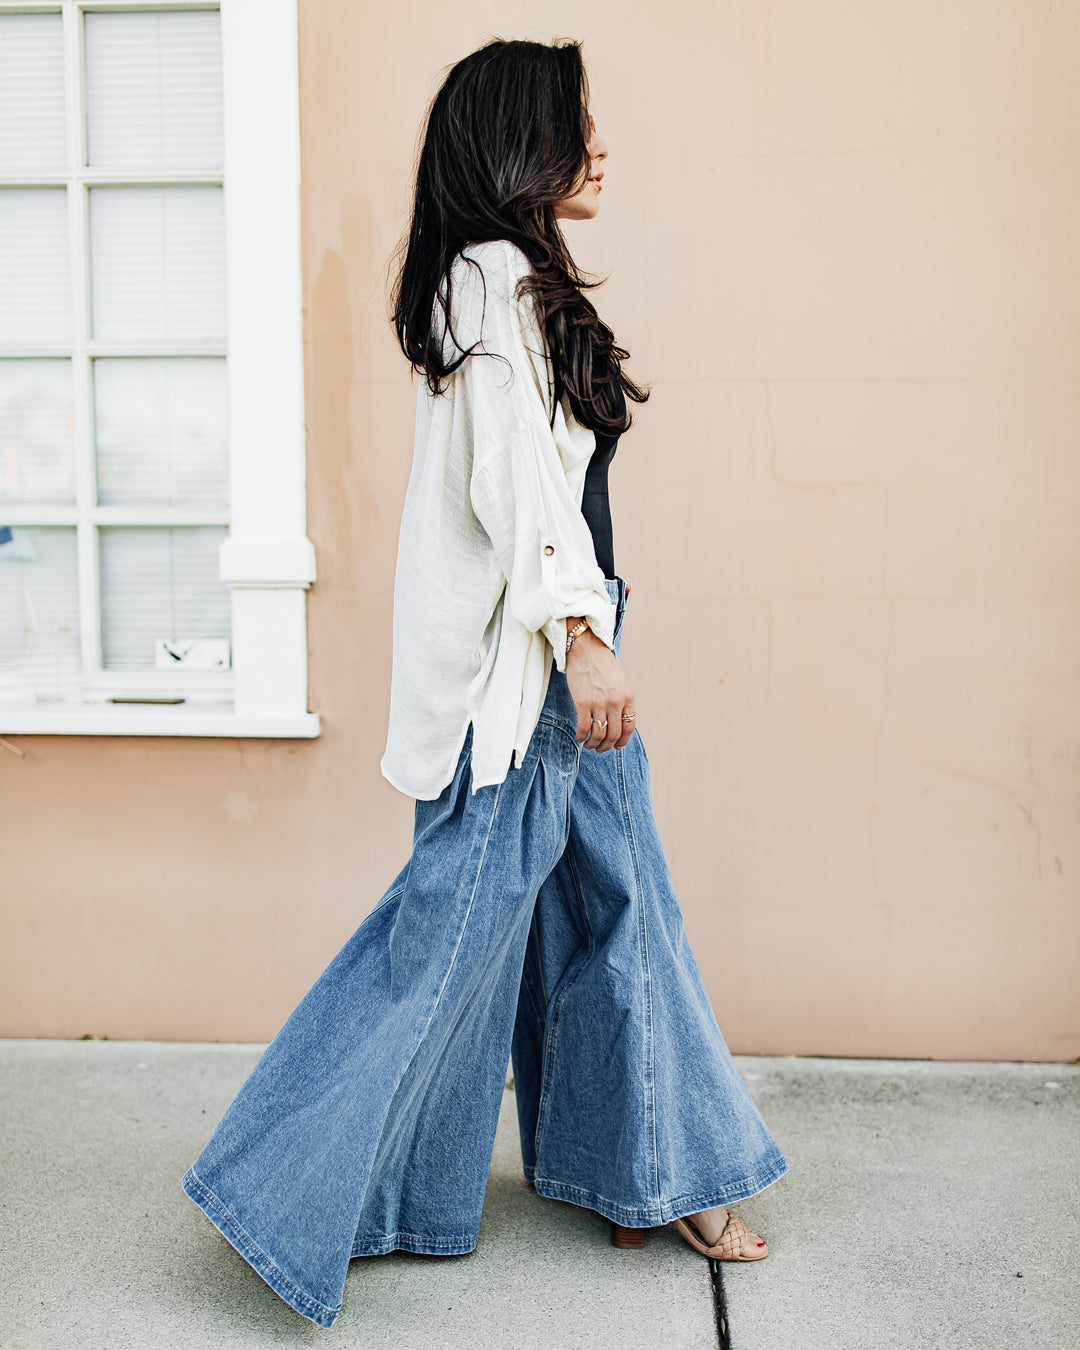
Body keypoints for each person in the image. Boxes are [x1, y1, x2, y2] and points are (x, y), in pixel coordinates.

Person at [182, 37, 787, 1330]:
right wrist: (583, 631)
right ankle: (281, 1188)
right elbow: (518, 485)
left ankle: (647, 1173)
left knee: (610, 910)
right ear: (523, 140)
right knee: (456, 936)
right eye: (580, 123)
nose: (602, 145)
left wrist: (589, 621)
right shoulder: (492, 277)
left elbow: (540, 480)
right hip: (531, 671)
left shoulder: (504, 277)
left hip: (557, 645)